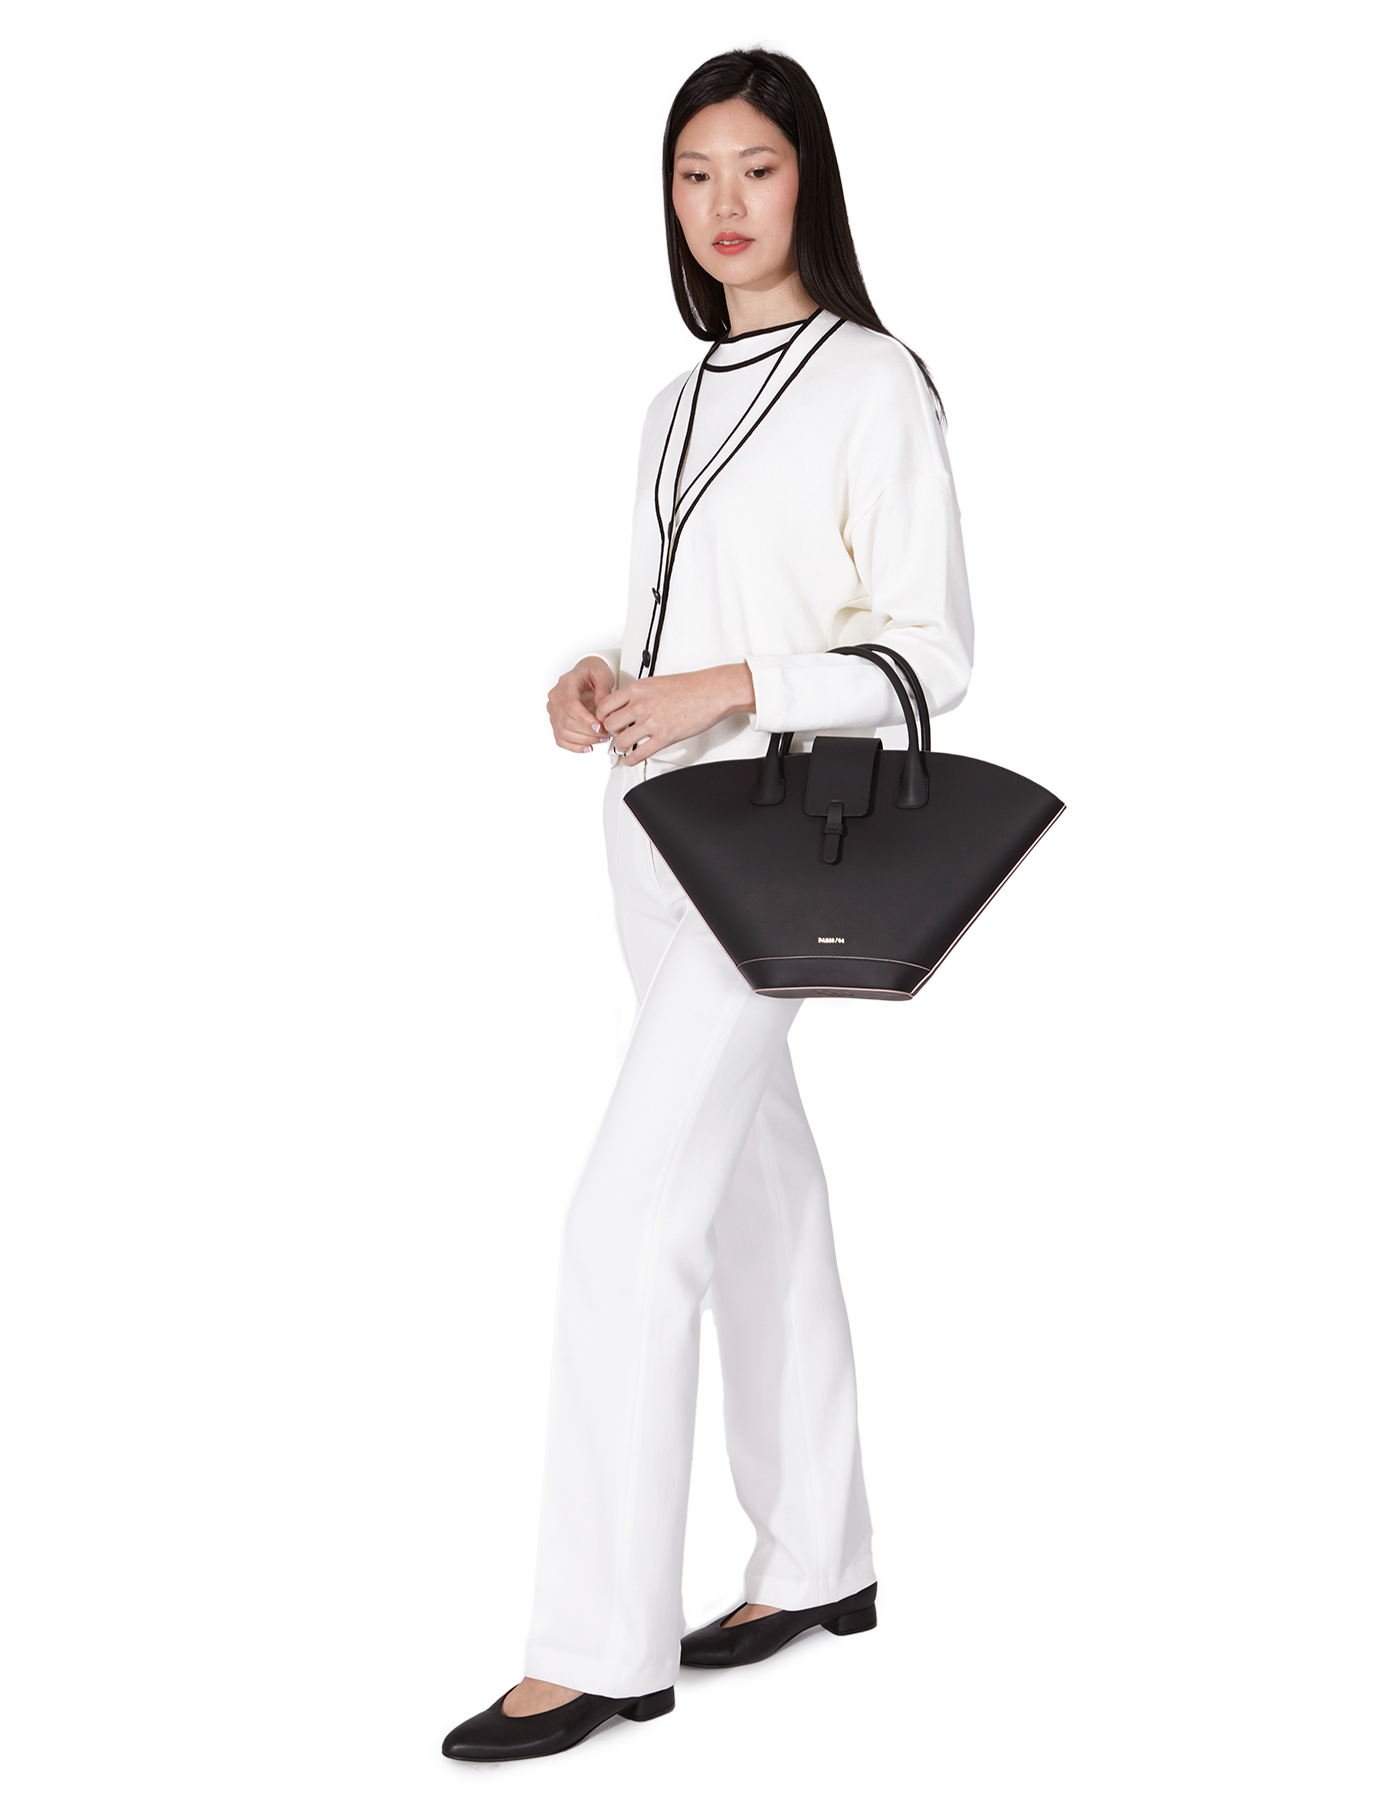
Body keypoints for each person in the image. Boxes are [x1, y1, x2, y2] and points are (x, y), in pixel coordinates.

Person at [441, 43, 974, 1764]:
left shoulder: (871, 380)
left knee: (621, 1218)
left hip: (782, 845)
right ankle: (820, 1553)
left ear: (810, 177)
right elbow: (679, 626)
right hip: (655, 833)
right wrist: (605, 679)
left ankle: (598, 1644)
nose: (724, 205)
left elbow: (932, 655)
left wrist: (729, 688)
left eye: (756, 168)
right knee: (755, 1183)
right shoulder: (692, 388)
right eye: (693, 174)